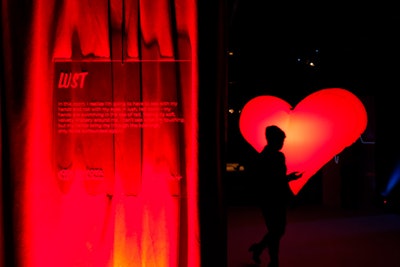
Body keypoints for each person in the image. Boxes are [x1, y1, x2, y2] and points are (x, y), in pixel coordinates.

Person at [248, 125, 302, 267]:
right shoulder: (270, 157)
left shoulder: (270, 156)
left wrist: (288, 180)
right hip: (271, 198)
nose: (282, 143)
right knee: (277, 230)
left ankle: (260, 250)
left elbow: (277, 179)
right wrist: (288, 182)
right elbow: (273, 179)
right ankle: (272, 260)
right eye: (281, 140)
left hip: (272, 197)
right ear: (273, 140)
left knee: (276, 230)